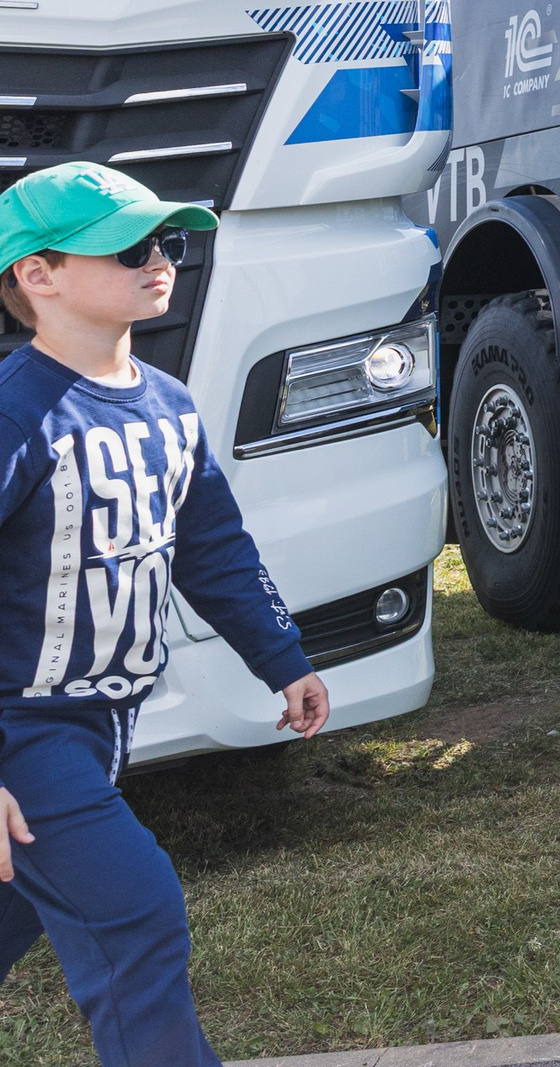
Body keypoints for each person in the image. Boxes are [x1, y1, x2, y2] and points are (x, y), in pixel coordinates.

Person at [0, 162, 329, 1065]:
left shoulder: (169, 406)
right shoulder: (15, 414)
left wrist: (284, 657)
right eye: (131, 246)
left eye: (168, 241)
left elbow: (214, 549)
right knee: (137, 911)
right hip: (23, 733)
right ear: (39, 275)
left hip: (104, 726)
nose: (161, 259)